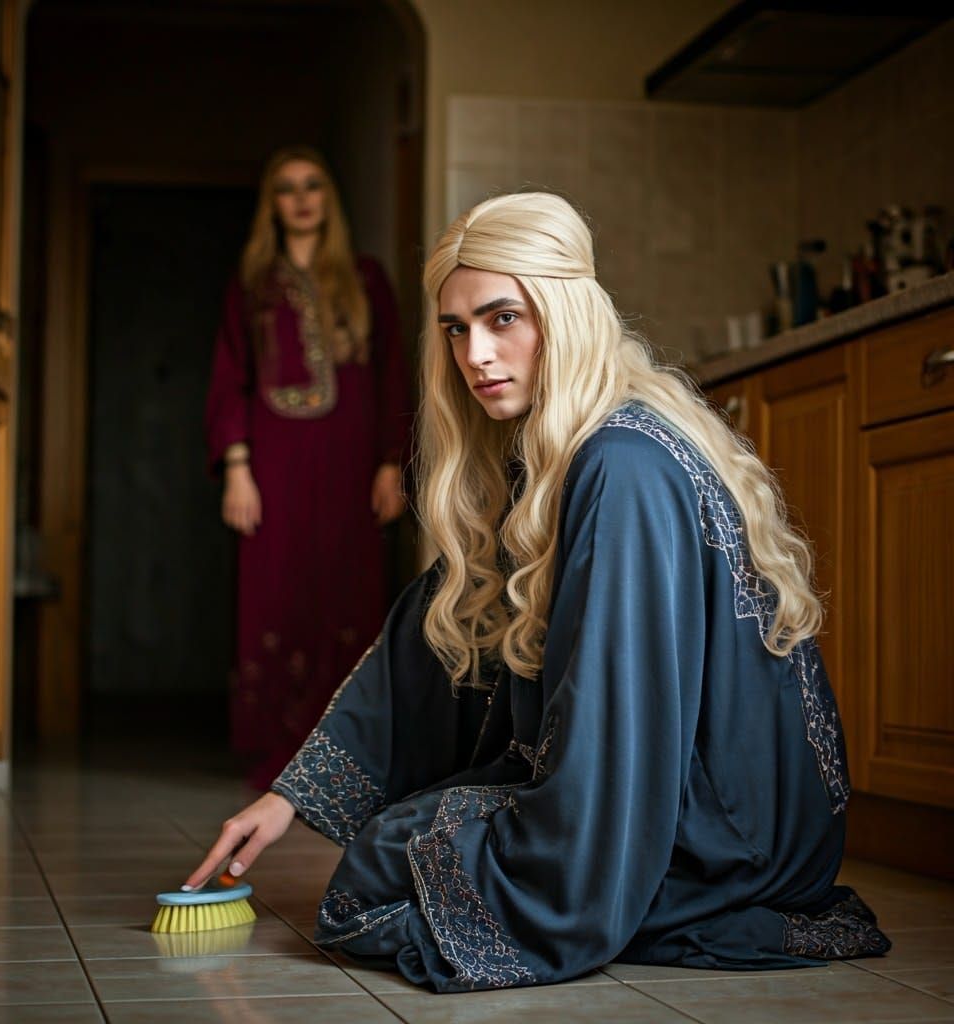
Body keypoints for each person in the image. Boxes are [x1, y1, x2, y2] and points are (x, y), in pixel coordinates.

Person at [188, 192, 890, 992]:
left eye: (503, 319)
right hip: (709, 804)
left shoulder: (621, 464)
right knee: (403, 839)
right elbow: (440, 620)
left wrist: (563, 876)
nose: (476, 355)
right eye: (456, 329)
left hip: (727, 836)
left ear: (565, 312)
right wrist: (291, 797)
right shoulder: (566, 451)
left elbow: (616, 715)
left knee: (385, 870)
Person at [204, 146, 410, 790]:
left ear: (329, 197)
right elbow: (230, 376)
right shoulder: (252, 284)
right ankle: (279, 753)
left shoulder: (366, 278)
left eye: (312, 185)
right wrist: (237, 466)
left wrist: (392, 463)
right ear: (272, 203)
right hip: (273, 466)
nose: (300, 199)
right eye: (287, 188)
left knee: (347, 592)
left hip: (350, 465)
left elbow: (393, 376)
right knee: (276, 592)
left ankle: (346, 757)